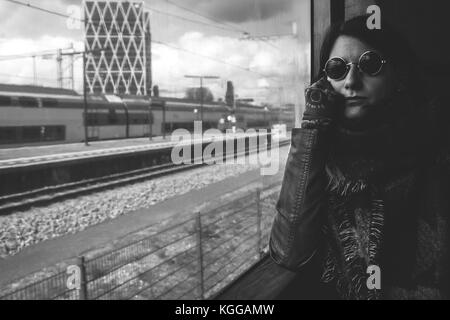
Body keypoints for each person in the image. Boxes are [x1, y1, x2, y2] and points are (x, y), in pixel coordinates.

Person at [269, 15, 450, 300]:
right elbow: (289, 253)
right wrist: (313, 128)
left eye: (369, 65)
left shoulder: (436, 144)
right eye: (337, 69)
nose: (351, 81)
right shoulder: (322, 154)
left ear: (399, 75)